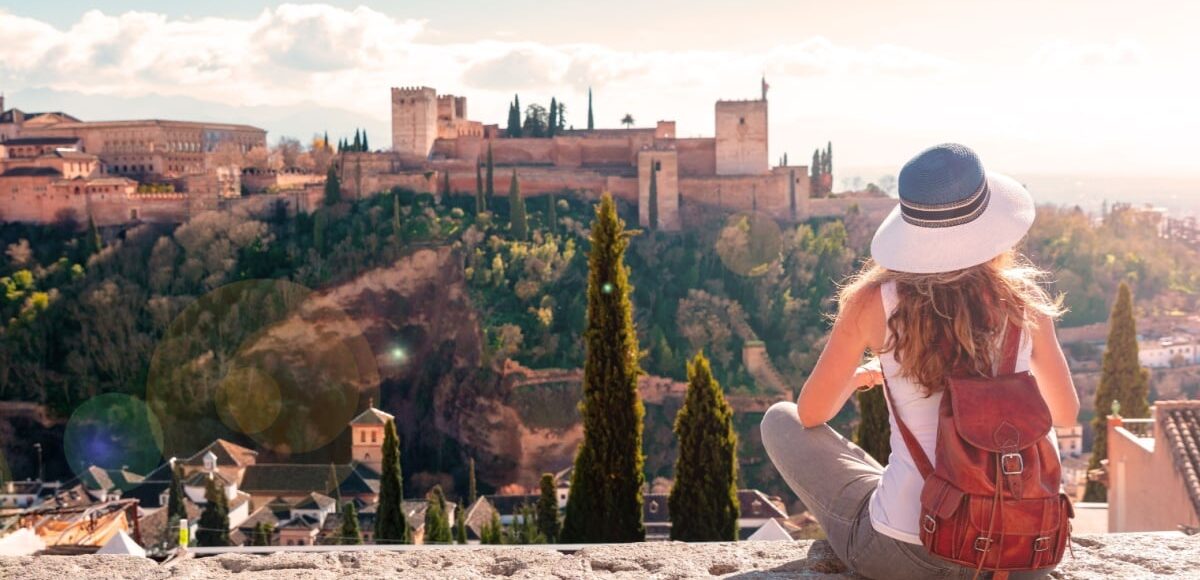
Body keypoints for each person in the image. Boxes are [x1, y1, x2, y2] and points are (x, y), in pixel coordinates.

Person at [761, 143, 1079, 580]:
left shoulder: (873, 302)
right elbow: (1064, 414)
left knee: (779, 420)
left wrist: (858, 379)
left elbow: (812, 414)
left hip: (906, 554)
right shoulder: (1025, 304)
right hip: (1019, 550)